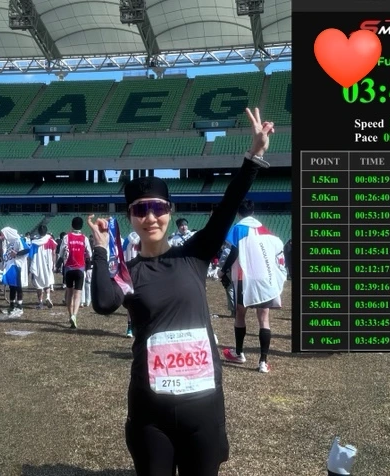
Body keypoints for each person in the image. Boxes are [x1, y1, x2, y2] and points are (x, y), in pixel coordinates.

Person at [90, 107, 274, 476]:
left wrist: (253, 156)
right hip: (150, 414)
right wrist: (99, 249)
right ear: (130, 217)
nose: (150, 217)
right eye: (140, 210)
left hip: (202, 411)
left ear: (170, 211)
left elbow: (227, 207)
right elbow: (104, 303)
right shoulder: (128, 272)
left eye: (157, 207)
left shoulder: (194, 254)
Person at [219, 200, 287, 373]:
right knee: (264, 319)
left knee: (240, 314)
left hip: (244, 278)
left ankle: (239, 353)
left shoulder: (238, 228)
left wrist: (222, 270)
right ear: (253, 212)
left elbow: (232, 251)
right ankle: (263, 362)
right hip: (265, 279)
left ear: (238, 213)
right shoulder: (264, 229)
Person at [60, 217, 92, 329]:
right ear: (82, 226)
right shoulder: (84, 238)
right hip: (80, 268)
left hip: (69, 268)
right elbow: (89, 253)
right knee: (78, 294)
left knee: (69, 293)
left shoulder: (66, 237)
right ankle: (75, 315)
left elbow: (61, 253)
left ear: (72, 225)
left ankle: (70, 315)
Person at [29, 224, 57, 308]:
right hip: (48, 264)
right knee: (47, 282)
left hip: (37, 265)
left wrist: (30, 266)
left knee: (39, 285)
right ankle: (48, 297)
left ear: (38, 232)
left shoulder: (34, 242)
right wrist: (54, 264)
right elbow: (54, 253)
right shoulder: (50, 240)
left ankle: (40, 303)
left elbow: (30, 256)